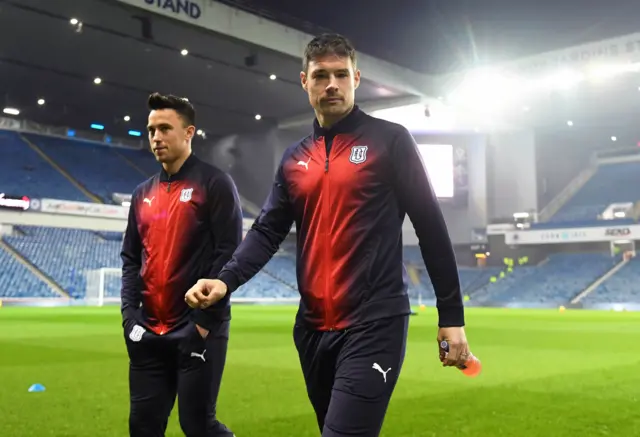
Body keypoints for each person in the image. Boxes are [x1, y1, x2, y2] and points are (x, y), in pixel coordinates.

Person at [185, 34, 471, 436]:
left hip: (375, 323)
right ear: (305, 82)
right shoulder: (294, 158)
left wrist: (451, 317)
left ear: (356, 78)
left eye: (341, 74)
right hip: (312, 329)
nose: (331, 84)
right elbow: (267, 231)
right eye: (321, 76)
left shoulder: (390, 141)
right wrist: (225, 279)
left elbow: (430, 227)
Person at [121, 93, 242, 437]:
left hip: (197, 331)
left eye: (165, 128)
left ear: (189, 132)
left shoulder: (214, 183)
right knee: (142, 427)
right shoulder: (142, 193)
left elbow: (229, 255)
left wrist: (203, 324)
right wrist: (130, 317)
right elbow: (131, 258)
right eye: (151, 130)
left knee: (199, 426)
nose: (156, 137)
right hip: (147, 333)